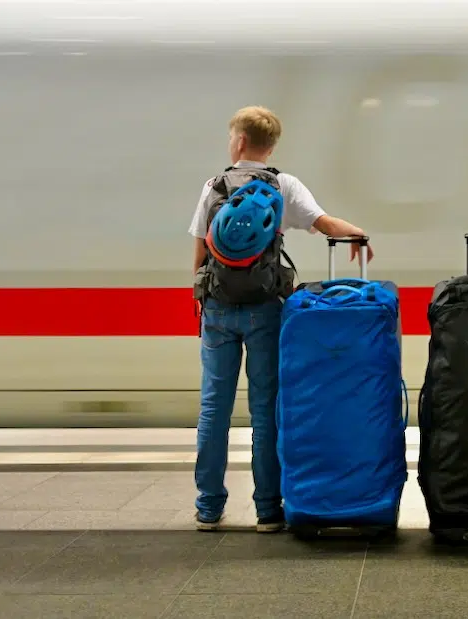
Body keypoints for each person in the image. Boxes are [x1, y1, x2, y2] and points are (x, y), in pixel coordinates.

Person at [188, 105, 374, 532]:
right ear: (271, 145)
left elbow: (200, 253)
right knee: (266, 409)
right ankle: (268, 509)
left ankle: (209, 507)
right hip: (266, 309)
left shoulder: (213, 186)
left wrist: (202, 298)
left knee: (213, 409)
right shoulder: (283, 184)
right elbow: (325, 223)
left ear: (238, 141)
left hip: (217, 309)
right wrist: (358, 235)